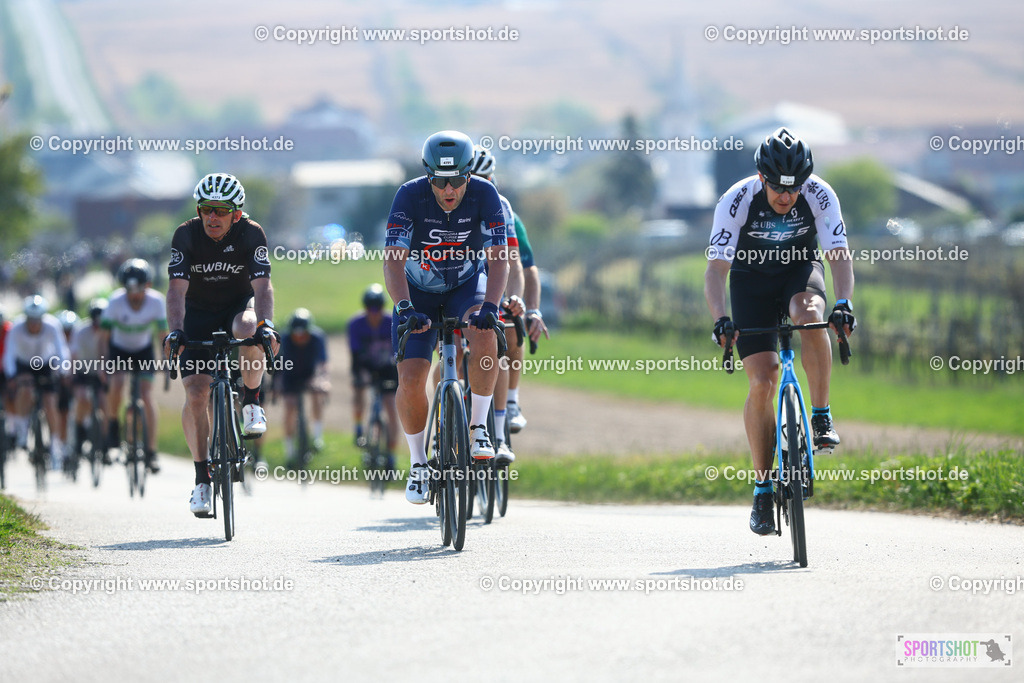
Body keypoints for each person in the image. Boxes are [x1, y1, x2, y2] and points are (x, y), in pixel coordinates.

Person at [704, 127, 856, 536]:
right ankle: (762, 488)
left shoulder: (821, 194)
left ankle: (821, 416)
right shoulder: (736, 200)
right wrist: (720, 317)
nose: (786, 196)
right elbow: (716, 270)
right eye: (777, 188)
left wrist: (842, 303)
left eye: (794, 188)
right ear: (761, 179)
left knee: (810, 314)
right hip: (750, 282)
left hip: (798, 272)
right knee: (762, 381)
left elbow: (838, 254)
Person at [383, 130, 509, 504]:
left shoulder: (485, 195)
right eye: (439, 180)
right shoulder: (409, 195)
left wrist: (492, 307)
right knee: (410, 378)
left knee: (484, 334)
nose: (449, 188)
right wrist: (404, 308)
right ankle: (420, 463)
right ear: (427, 176)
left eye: (457, 180)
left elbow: (499, 257)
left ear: (470, 174)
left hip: (466, 284)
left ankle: (477, 429)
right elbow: (392, 261)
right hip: (417, 291)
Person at [164, 173, 280, 517]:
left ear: (237, 213)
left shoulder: (252, 233)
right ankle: (202, 478)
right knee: (197, 393)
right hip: (197, 314)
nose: (212, 217)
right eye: (205, 209)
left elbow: (262, 287)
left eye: (221, 210)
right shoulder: (185, 234)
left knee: (249, 327)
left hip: (236, 306)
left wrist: (266, 325)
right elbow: (175, 292)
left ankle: (251, 401)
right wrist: (176, 331)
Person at [467, 145, 549, 458]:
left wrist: (528, 307)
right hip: (465, 285)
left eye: (483, 177)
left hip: (496, 285)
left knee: (510, 330)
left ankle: (508, 406)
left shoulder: (506, 213)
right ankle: (442, 421)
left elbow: (523, 267)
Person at [101, 259, 167, 474]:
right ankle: (113, 424)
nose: (134, 295)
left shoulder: (157, 302)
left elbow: (162, 336)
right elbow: (104, 338)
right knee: (118, 382)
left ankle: (152, 451)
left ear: (147, 285)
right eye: (129, 289)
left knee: (147, 396)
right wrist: (103, 363)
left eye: (138, 289)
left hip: (143, 350)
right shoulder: (115, 302)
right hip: (119, 349)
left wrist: (166, 362)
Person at [2, 295, 69, 469]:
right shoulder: (16, 328)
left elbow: (61, 349)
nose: (33, 324)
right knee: (24, 389)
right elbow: (9, 354)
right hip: (24, 365)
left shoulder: (52, 325)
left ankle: (55, 446)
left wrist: (63, 370)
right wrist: (11, 376)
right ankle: (23, 430)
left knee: (50, 403)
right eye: (30, 320)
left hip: (45, 364)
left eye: (37, 320)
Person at [347, 284, 399, 471]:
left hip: (388, 368)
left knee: (392, 409)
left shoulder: (392, 321)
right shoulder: (355, 324)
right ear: (365, 308)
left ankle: (391, 456)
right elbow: (355, 355)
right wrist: (359, 377)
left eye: (377, 308)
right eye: (370, 308)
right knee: (358, 390)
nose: (374, 313)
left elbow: (399, 352)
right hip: (365, 366)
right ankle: (359, 427)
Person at [275, 307, 330, 467]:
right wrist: (277, 385)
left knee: (317, 394)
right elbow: (278, 365)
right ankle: (289, 449)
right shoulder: (284, 339)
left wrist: (323, 380)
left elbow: (323, 363)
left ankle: (317, 437)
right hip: (289, 376)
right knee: (289, 407)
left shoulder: (317, 337)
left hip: (309, 374)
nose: (299, 338)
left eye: (303, 334)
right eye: (296, 334)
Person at [70, 299, 108, 464]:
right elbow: (73, 354)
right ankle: (79, 435)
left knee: (104, 404)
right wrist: (72, 375)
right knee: (82, 399)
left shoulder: (110, 330)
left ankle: (105, 445)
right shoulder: (81, 330)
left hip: (102, 371)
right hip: (83, 370)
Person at [55, 310, 78, 468]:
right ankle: (62, 447)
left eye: (69, 330)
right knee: (63, 414)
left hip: (77, 378)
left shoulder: (79, 337)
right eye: (64, 330)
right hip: (61, 382)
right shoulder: (56, 340)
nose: (67, 334)